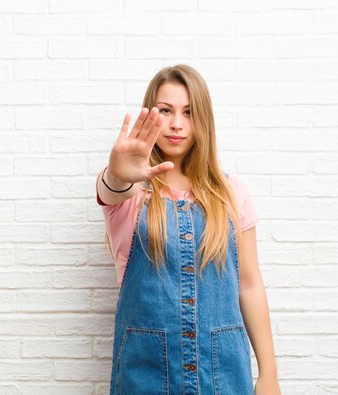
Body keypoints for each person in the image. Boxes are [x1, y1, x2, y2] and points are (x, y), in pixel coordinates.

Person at [95, 64, 281, 395]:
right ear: (151, 114)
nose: (177, 123)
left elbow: (250, 284)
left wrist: (269, 373)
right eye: (165, 111)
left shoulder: (231, 193)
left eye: (189, 112)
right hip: (146, 376)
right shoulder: (132, 195)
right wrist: (118, 173)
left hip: (223, 373)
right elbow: (111, 187)